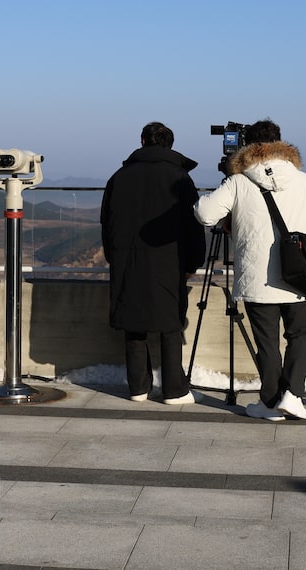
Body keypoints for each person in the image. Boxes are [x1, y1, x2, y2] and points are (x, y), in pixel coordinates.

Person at [193, 119, 306, 421]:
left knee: (266, 342)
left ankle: (270, 403)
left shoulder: (239, 182)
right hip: (301, 278)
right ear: (281, 145)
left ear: (248, 148)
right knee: (298, 336)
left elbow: (205, 214)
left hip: (258, 280)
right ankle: (293, 396)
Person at [100, 122, 206, 404]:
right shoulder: (180, 178)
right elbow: (194, 225)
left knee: (133, 321)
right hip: (169, 259)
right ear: (169, 145)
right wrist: (194, 263)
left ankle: (138, 387)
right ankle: (174, 390)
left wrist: (114, 257)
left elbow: (106, 223)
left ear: (142, 141)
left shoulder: (119, 177)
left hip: (127, 258)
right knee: (171, 322)